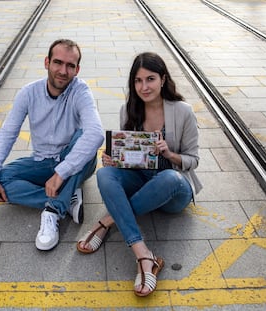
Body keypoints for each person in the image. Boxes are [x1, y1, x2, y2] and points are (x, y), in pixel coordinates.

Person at [77, 52, 202, 297]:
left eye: (150, 79)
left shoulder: (183, 111)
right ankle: (144, 255)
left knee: (170, 178)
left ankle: (107, 221)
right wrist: (114, 159)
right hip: (141, 180)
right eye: (138, 81)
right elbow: (129, 155)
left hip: (174, 188)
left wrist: (171, 153)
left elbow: (193, 160)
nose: (144, 87)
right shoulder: (128, 110)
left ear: (163, 79)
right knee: (105, 174)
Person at [0, 39, 104, 251]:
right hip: (42, 161)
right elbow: (7, 134)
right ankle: (68, 198)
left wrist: (60, 174)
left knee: (85, 136)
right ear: (47, 62)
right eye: (58, 62)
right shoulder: (28, 93)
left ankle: (53, 211)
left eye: (70, 66)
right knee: (1, 180)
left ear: (77, 70)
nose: (63, 71)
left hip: (74, 164)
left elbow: (96, 134)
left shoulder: (81, 91)